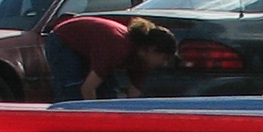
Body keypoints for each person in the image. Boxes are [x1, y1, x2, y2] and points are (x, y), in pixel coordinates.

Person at [44, 15, 180, 101]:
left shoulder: (142, 62)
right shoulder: (118, 49)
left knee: (109, 93)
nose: (164, 64)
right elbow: (87, 89)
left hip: (92, 46)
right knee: (72, 90)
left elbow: (134, 95)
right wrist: (95, 120)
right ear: (151, 50)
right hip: (64, 39)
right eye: (164, 58)